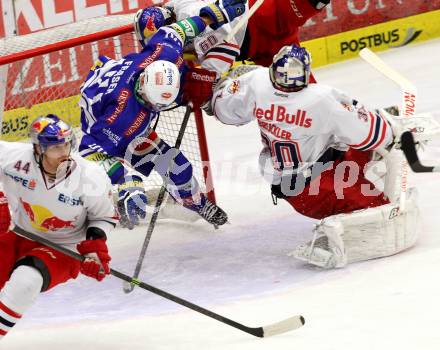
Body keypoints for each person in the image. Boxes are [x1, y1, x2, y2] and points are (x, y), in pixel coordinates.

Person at [210, 44, 422, 269]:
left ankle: (363, 161)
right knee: (380, 210)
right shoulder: (321, 99)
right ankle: (330, 234)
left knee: (349, 139)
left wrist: (224, 88)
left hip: (294, 185)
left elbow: (223, 110)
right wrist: (392, 133)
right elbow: (370, 133)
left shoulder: (257, 82)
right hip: (317, 189)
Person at [78, 0, 248, 229]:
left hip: (119, 88)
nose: (157, 109)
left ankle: (195, 202)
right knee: (110, 172)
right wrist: (126, 181)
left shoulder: (164, 53)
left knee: (177, 166)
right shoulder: (121, 119)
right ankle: (97, 205)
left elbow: (177, 29)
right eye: (153, 103)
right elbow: (88, 152)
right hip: (102, 114)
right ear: (142, 89)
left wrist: (213, 15)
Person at [0, 115, 117, 339]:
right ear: (37, 149)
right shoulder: (14, 159)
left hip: (64, 247)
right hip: (19, 233)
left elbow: (104, 217)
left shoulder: (90, 176)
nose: (63, 152)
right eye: (54, 147)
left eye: (65, 144)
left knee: (27, 280)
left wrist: (94, 247)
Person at [134, 0, 330, 78]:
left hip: (256, 24)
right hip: (260, 43)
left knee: (302, 90)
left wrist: (206, 78)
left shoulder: (189, 15)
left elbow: (223, 45)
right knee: (303, 89)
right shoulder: (178, 12)